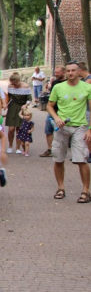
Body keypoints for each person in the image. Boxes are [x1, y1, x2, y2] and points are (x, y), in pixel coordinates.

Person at [47, 61, 91, 203]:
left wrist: (90, 129)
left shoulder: (87, 88)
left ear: (79, 72)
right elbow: (49, 106)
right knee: (58, 158)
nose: (70, 73)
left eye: (73, 70)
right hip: (62, 127)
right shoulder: (58, 87)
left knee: (81, 159)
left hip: (80, 127)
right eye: (68, 71)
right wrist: (56, 118)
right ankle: (60, 188)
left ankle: (85, 191)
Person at [40, 66, 65, 157]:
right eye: (55, 72)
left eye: (58, 72)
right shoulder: (54, 82)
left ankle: (62, 149)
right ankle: (49, 149)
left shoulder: (67, 83)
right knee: (48, 130)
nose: (56, 74)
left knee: (63, 131)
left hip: (63, 111)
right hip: (52, 110)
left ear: (63, 72)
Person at [3, 73, 32, 153]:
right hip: (12, 106)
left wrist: (25, 105)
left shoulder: (25, 86)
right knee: (11, 128)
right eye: (12, 83)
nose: (14, 85)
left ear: (19, 80)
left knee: (19, 128)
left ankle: (18, 148)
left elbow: (29, 99)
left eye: (15, 83)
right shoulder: (10, 87)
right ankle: (10, 145)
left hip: (21, 107)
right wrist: (6, 104)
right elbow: (9, 97)